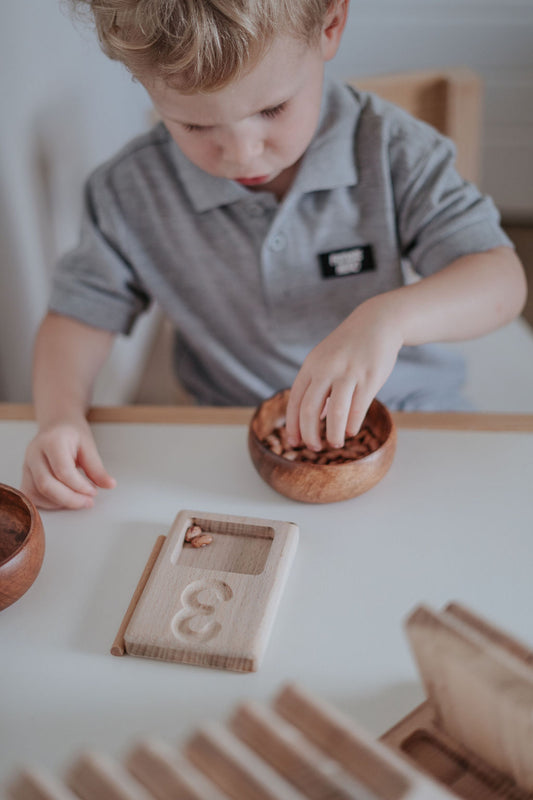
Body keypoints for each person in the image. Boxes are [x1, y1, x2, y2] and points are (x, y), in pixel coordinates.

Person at [22, 0, 527, 510]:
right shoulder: (129, 191)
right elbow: (78, 316)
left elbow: (501, 281)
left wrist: (387, 320)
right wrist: (60, 417)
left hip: (417, 417)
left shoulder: (395, 152)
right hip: (234, 434)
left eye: (272, 110)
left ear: (330, 25)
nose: (242, 152)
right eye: (195, 126)